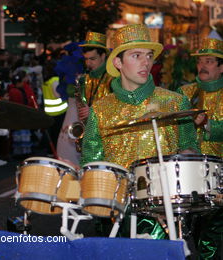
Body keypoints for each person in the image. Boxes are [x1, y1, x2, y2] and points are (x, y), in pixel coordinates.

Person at [80, 24, 199, 237]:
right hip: (113, 213)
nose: (146, 62)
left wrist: (189, 157)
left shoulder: (176, 103)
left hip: (162, 214)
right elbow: (91, 162)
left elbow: (190, 147)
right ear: (118, 62)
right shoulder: (100, 109)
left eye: (149, 55)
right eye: (136, 55)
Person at [177, 38, 223, 259]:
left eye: (209, 61)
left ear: (221, 67)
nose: (202, 66)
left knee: (212, 233)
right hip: (186, 176)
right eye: (200, 61)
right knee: (187, 232)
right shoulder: (184, 93)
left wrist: (207, 125)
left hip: (219, 177)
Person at [57, 32, 111, 165]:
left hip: (108, 139)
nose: (88, 63)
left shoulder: (113, 78)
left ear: (103, 55)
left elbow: (120, 106)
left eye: (92, 59)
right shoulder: (86, 79)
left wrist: (94, 111)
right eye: (86, 59)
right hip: (90, 138)